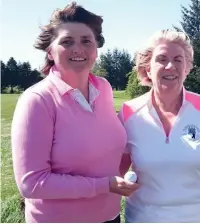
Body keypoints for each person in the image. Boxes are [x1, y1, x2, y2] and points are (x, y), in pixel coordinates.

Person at [11, 2, 138, 223]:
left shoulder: (104, 88)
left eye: (86, 41)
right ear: (50, 51)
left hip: (110, 216)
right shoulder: (38, 100)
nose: (78, 48)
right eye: (67, 42)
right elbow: (31, 183)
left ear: (96, 49)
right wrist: (104, 185)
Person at [118, 29, 200, 223]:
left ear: (187, 68)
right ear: (148, 68)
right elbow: (117, 170)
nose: (170, 66)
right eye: (162, 59)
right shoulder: (128, 112)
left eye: (178, 59)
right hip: (144, 217)